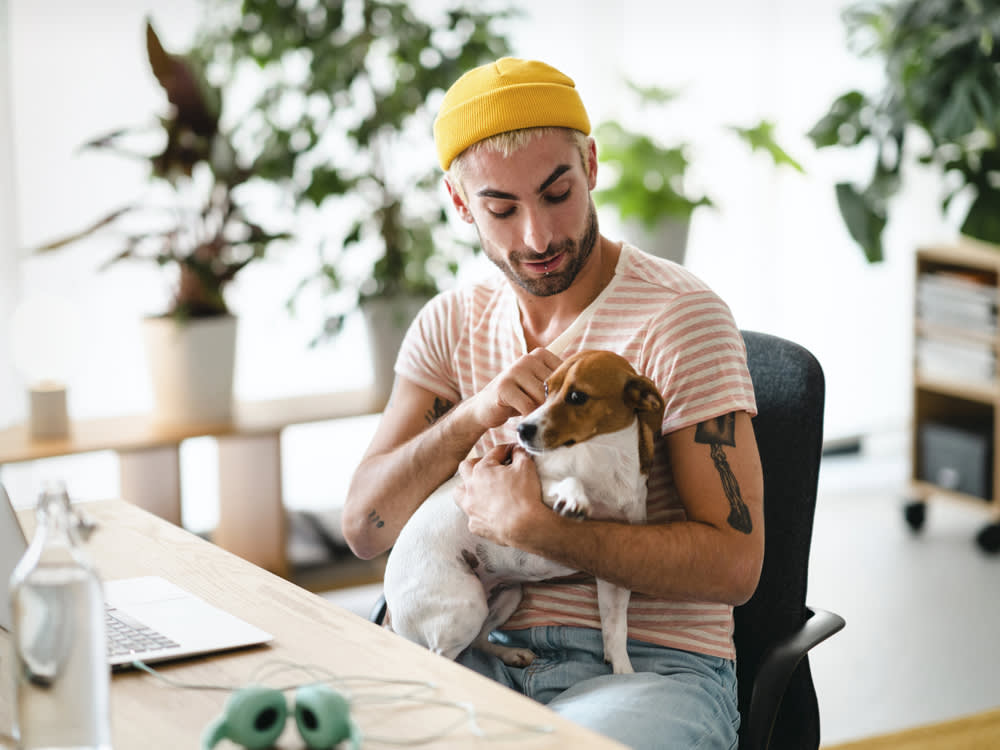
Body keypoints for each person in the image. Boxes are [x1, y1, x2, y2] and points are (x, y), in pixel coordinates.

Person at [341, 57, 764, 750]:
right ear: (458, 203)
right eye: (501, 209)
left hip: (647, 669)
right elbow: (367, 527)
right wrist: (475, 414)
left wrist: (542, 529)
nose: (537, 237)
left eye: (556, 193)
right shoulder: (450, 325)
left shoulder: (681, 319)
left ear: (592, 166)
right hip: (472, 650)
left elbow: (736, 566)